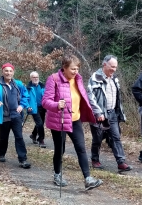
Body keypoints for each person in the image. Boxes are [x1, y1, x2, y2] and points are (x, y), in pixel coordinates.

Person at [42, 55, 103, 190]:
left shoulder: (78, 79)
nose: (75, 72)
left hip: (75, 120)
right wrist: (57, 104)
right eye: (72, 69)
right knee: (60, 149)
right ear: (64, 68)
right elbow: (45, 101)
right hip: (59, 120)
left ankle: (88, 179)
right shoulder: (54, 79)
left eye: (77, 69)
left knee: (81, 148)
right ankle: (57, 175)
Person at [87, 55, 132, 172]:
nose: (114, 69)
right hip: (99, 114)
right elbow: (90, 97)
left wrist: (119, 112)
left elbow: (117, 97)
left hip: (112, 114)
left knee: (116, 137)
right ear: (104, 64)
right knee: (97, 139)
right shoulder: (95, 78)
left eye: (115, 67)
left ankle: (121, 162)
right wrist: (98, 113)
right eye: (112, 66)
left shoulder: (114, 79)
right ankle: (95, 160)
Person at [0, 63, 31, 168]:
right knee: (3, 137)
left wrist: (22, 105)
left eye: (10, 71)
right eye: (6, 71)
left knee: (19, 137)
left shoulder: (18, 84)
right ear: (2, 72)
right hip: (3, 115)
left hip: (16, 115)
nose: (8, 73)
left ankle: (23, 160)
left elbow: (26, 96)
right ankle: (1, 154)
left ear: (13, 72)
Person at [27, 71, 46, 148]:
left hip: (43, 107)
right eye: (34, 77)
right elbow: (25, 98)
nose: (35, 79)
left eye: (37, 77)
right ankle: (41, 140)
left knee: (40, 123)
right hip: (33, 108)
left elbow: (46, 96)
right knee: (40, 124)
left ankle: (33, 135)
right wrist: (28, 107)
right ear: (31, 78)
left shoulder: (42, 86)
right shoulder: (28, 88)